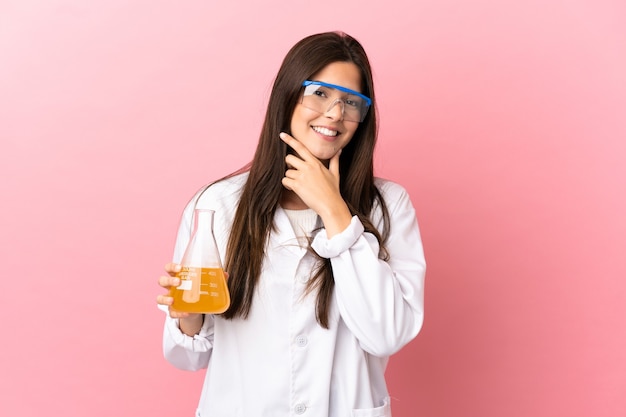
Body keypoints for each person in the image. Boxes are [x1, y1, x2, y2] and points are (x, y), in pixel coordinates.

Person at [157, 31, 426, 417]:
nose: (335, 113)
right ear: (286, 95)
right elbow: (187, 359)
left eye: (351, 101)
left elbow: (386, 334)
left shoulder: (388, 205)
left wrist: (336, 212)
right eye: (319, 93)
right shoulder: (217, 205)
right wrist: (188, 317)